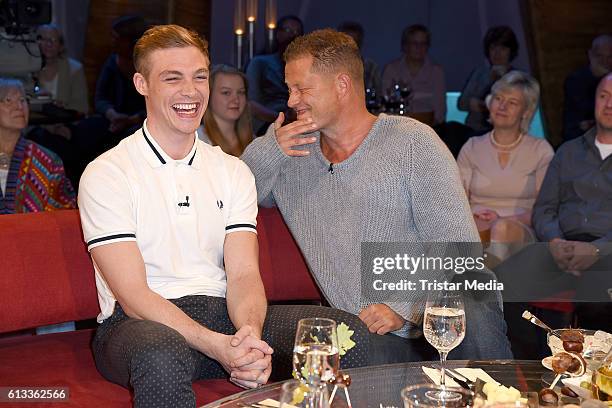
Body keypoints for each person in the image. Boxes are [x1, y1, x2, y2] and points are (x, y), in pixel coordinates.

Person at [78, 25, 369, 408]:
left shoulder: (232, 171)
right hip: (137, 327)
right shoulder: (109, 173)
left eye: (200, 77)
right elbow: (134, 297)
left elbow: (245, 273)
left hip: (222, 315)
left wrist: (249, 337)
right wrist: (220, 347)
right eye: (172, 78)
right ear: (141, 83)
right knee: (160, 354)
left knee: (344, 334)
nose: (191, 91)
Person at [242, 29, 512, 362]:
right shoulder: (293, 154)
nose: (292, 100)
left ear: (342, 85)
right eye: (290, 89)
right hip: (366, 334)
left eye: (302, 88)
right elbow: (237, 193)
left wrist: (405, 308)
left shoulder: (412, 142)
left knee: (473, 288)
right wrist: (272, 148)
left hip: (438, 321)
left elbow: (459, 249)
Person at [496, 73, 612, 358]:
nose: (609, 104)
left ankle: (586, 382)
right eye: (603, 96)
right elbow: (545, 208)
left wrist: (597, 249)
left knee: (597, 302)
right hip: (560, 244)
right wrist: (555, 241)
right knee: (498, 286)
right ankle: (532, 371)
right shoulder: (568, 151)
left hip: (607, 250)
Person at [457, 71, 553, 259]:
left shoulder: (540, 150)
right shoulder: (472, 147)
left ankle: (485, 283)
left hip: (519, 229)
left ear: (526, 112)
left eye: (512, 103)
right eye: (498, 98)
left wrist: (502, 220)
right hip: (476, 228)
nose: (502, 106)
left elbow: (545, 210)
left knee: (500, 230)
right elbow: (456, 202)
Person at [0, 78, 75, 214]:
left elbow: (64, 213)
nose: (19, 106)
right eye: (8, 100)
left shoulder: (48, 161)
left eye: (23, 100)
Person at [246, 15, 304, 134]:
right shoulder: (260, 63)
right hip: (267, 126)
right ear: (278, 34)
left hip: (299, 124)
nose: (293, 35)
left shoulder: (305, 67)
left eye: (297, 32)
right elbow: (250, 104)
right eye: (288, 30)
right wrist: (283, 118)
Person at [458, 26, 519, 134]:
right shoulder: (479, 73)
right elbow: (462, 103)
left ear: (511, 51)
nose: (497, 53)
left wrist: (482, 106)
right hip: (474, 132)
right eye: (493, 48)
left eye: (503, 49)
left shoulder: (518, 78)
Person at [381, 24, 446, 125]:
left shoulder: (436, 72)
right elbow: (386, 103)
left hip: (428, 128)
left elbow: (440, 112)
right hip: (397, 127)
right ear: (405, 46)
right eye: (414, 43)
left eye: (423, 44)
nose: (419, 48)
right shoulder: (391, 69)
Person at [562, 34, 612, 141]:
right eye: (600, 56)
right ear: (591, 55)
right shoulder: (575, 81)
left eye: (609, 57)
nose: (605, 62)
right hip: (583, 139)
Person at [197, 64, 253, 156]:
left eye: (241, 92)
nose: (236, 100)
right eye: (226, 92)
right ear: (209, 96)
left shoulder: (253, 140)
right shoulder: (198, 140)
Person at [35, 23, 89, 115]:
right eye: (44, 39)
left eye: (53, 40)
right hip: (36, 124)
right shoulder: (27, 68)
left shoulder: (75, 69)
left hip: (65, 122)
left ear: (61, 46)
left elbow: (82, 107)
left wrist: (63, 106)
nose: (49, 44)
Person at [337, 21, 382, 99]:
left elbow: (378, 96)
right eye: (347, 42)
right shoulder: (329, 67)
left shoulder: (371, 68)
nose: (351, 46)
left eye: (355, 41)